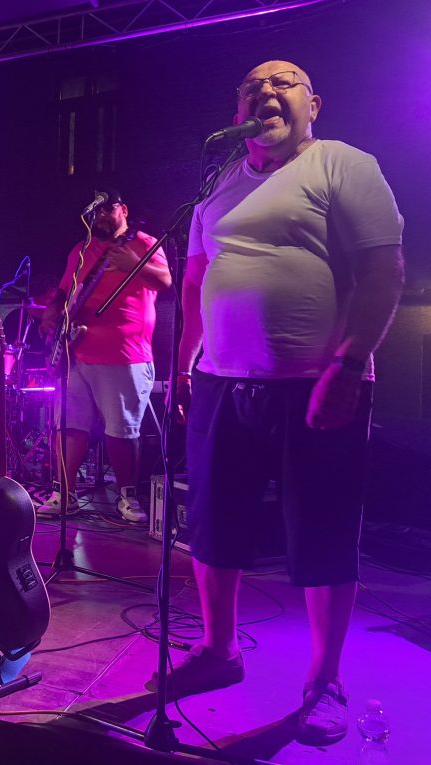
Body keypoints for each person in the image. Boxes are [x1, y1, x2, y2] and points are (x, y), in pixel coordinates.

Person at [155, 61, 404, 747]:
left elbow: (383, 271)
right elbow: (198, 276)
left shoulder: (342, 165)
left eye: (284, 82)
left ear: (313, 104)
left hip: (317, 382)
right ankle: (219, 650)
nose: (267, 91)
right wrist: (186, 365)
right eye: (253, 86)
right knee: (213, 525)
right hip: (220, 382)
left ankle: (324, 681)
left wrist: (348, 364)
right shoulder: (216, 184)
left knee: (322, 532)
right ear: (236, 110)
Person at [39, 189, 171, 521]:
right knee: (69, 425)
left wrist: (133, 265)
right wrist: (52, 310)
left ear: (123, 210)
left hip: (124, 354)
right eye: (94, 211)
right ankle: (65, 493)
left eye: (106, 209)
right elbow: (65, 291)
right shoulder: (82, 249)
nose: (99, 216)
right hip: (75, 351)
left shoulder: (144, 243)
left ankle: (127, 497)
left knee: (122, 431)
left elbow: (166, 281)